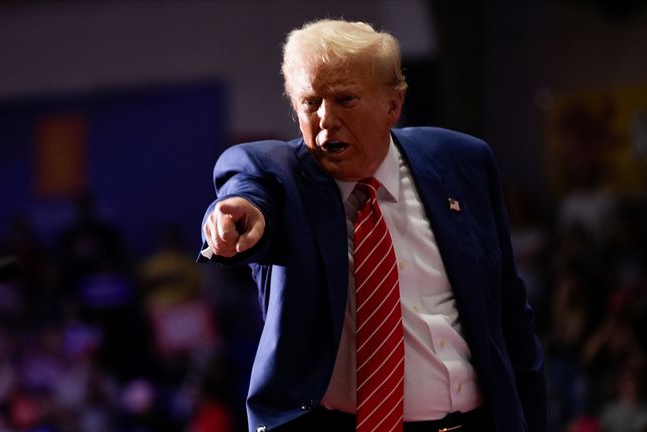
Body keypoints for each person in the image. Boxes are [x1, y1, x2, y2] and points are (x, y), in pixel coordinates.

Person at [200, 19, 547, 432]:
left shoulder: (463, 160)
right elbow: (243, 192)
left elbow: (511, 313)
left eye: (345, 99)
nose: (326, 119)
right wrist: (235, 215)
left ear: (393, 105)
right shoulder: (278, 176)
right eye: (310, 103)